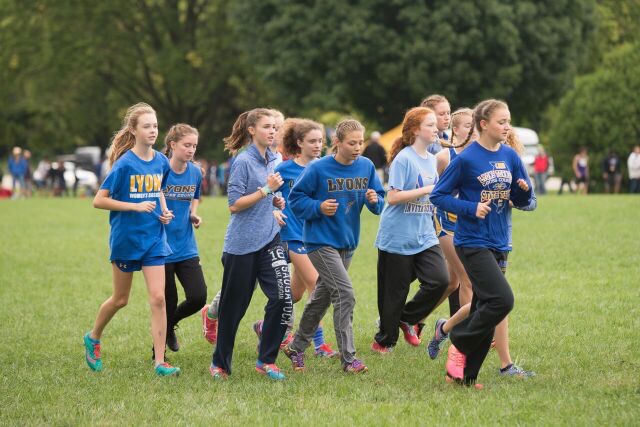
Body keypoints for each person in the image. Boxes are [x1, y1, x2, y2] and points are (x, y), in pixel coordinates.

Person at [430, 99, 533, 388]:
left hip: (500, 241)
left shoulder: (511, 157)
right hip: (471, 241)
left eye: (508, 121)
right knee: (502, 300)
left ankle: (463, 378)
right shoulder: (465, 159)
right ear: (484, 124)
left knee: (484, 307)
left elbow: (525, 200)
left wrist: (523, 192)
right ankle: (459, 342)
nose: (507, 126)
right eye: (501, 121)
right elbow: (438, 196)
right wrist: (470, 207)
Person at [281, 118, 385, 374]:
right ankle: (349, 359)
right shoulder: (319, 168)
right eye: (352, 143)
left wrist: (374, 200)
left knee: (321, 299)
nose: (358, 147)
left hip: (347, 242)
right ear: (337, 143)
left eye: (360, 142)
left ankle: (295, 347)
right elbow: (296, 199)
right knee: (345, 294)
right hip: (319, 242)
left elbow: (379, 200)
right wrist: (318, 207)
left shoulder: (367, 166)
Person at [83, 102, 180, 377]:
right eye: (147, 126)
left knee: (159, 298)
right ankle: (93, 337)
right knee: (120, 299)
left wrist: (163, 211)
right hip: (127, 240)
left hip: (153, 240)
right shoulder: (125, 164)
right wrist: (135, 207)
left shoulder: (161, 161)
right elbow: (98, 200)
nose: (153, 131)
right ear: (134, 131)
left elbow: (158, 188)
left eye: (155, 126)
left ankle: (160, 361)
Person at [209, 108, 292, 381]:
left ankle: (266, 360)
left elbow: (267, 196)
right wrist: (267, 191)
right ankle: (220, 364)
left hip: (271, 239)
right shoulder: (243, 162)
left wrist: (275, 201)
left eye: (274, 127)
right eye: (266, 126)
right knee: (233, 309)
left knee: (283, 298)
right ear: (252, 130)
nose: (272, 131)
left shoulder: (276, 158)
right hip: (242, 245)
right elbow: (234, 205)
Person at [371, 107, 449, 354]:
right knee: (395, 291)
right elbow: (392, 197)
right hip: (398, 235)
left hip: (425, 234)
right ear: (416, 130)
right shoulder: (404, 158)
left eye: (435, 125)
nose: (435, 129)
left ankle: (404, 319)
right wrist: (426, 191)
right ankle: (384, 340)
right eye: (430, 125)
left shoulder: (431, 159)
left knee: (440, 280)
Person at [266, 118, 338, 357]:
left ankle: (264, 327)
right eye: (312, 141)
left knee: (294, 295)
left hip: (316, 237)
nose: (318, 145)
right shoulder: (284, 169)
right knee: (317, 286)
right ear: (299, 143)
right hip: (292, 235)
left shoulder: (324, 168)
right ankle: (319, 345)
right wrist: (274, 210)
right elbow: (265, 196)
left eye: (320, 141)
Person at [162, 124, 208, 354]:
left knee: (198, 296)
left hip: (187, 245)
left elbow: (195, 196)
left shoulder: (195, 172)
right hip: (161, 246)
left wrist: (193, 214)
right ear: (172, 145)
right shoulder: (160, 170)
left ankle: (169, 326)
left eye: (194, 146)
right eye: (186, 145)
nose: (191, 150)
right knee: (168, 301)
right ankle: (158, 351)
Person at [430, 108, 476, 338]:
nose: (473, 130)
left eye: (475, 125)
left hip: (471, 226)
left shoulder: (480, 156)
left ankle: (412, 319)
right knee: (467, 279)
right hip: (446, 224)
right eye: (468, 125)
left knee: (451, 282)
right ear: (455, 129)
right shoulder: (444, 157)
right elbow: (436, 194)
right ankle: (465, 334)